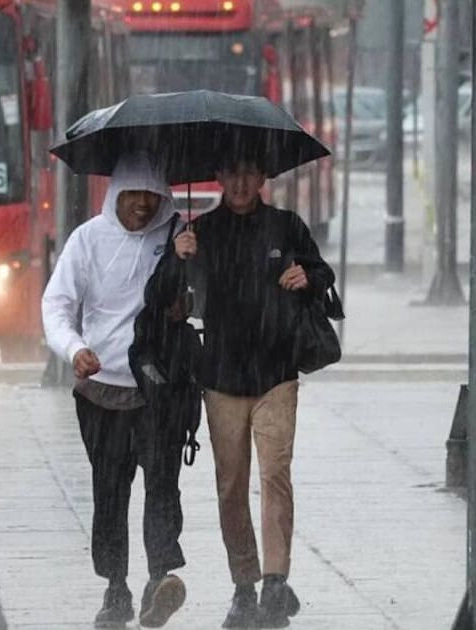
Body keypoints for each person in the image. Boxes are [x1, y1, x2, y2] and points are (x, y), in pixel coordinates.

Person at [149, 155, 335, 628]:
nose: (240, 182)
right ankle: (244, 585)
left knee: (275, 474)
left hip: (277, 374)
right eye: (231, 173)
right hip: (222, 378)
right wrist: (178, 255)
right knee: (231, 485)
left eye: (250, 173)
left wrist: (309, 276)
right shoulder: (199, 231)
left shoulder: (286, 225)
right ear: (220, 177)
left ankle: (276, 581)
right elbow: (160, 296)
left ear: (263, 179)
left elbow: (323, 274)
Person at [41, 153, 189, 629]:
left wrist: (187, 280)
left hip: (159, 390)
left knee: (162, 485)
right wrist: (74, 348)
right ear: (115, 196)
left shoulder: (178, 240)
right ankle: (116, 589)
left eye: (153, 196)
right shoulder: (87, 240)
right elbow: (57, 304)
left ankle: (160, 578)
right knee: (110, 491)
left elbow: (200, 303)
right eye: (133, 195)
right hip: (101, 391)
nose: (143, 206)